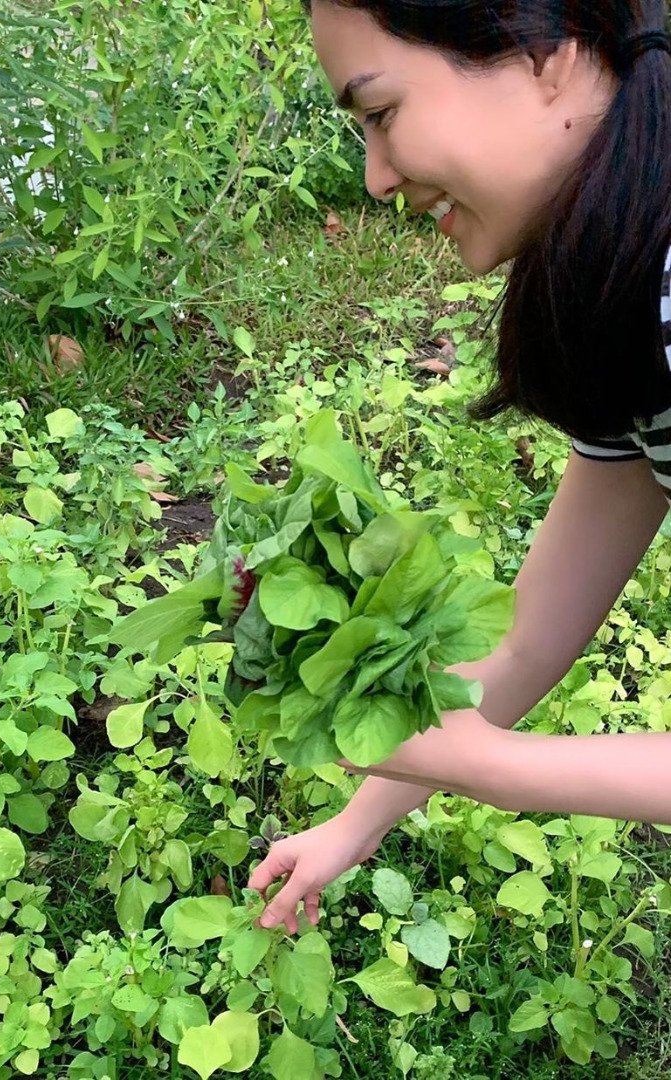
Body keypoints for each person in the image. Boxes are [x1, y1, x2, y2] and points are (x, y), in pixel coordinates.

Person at [248, 0, 671, 935]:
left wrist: (487, 767)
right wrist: (353, 829)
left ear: (542, 54)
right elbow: (528, 640)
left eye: (383, 112)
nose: (373, 176)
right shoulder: (625, 286)